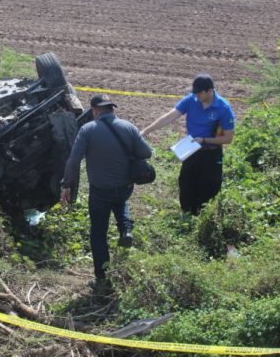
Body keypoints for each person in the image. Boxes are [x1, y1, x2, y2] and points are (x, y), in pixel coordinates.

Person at [60, 94, 153, 290]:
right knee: (120, 202)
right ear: (112, 109)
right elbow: (147, 153)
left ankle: (102, 279)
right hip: (125, 187)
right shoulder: (128, 127)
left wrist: (66, 185)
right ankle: (126, 228)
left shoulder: (88, 130)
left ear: (94, 111)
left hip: (100, 191)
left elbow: (74, 160)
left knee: (98, 234)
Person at [141, 74, 235, 215]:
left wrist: (204, 140)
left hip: (211, 153)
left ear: (209, 91)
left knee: (209, 186)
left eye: (199, 93)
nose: (196, 96)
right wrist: (145, 131)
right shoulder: (191, 100)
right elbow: (169, 116)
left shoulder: (223, 108)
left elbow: (228, 138)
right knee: (186, 182)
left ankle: (203, 219)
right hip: (191, 149)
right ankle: (186, 215)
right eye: (195, 93)